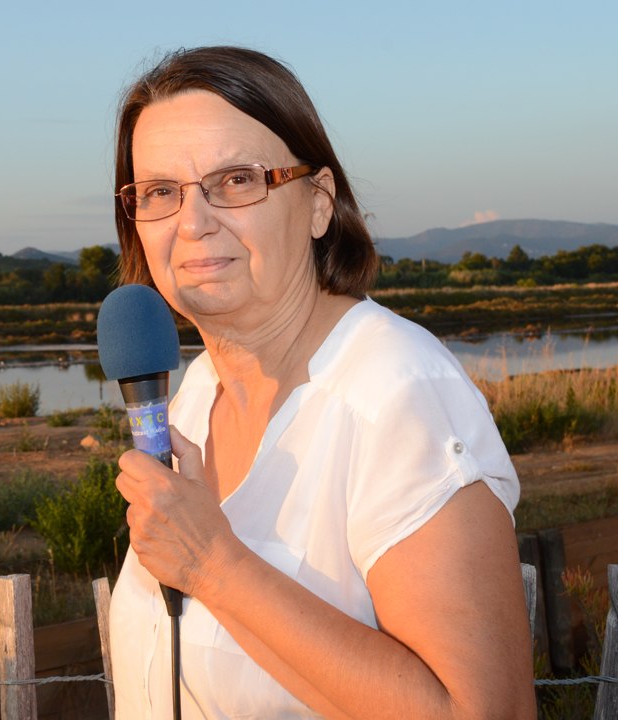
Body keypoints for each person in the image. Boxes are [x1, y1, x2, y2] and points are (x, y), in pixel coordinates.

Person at [108, 46, 536, 719]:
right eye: (161, 192)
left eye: (237, 180)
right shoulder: (190, 394)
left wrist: (216, 567)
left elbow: (478, 712)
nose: (192, 222)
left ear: (317, 204)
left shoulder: (396, 393)